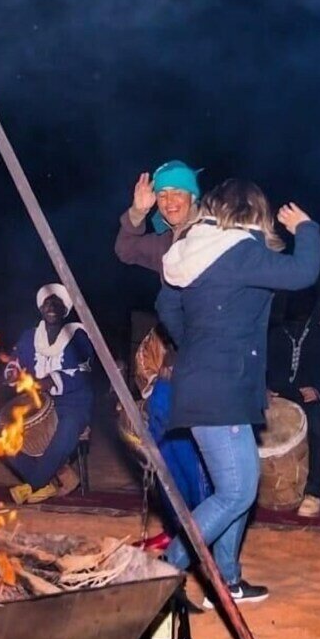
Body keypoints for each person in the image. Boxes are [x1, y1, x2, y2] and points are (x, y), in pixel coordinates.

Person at [156, 179, 320, 603]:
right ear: (253, 212)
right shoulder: (241, 250)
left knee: (238, 491)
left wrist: (195, 347)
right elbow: (304, 273)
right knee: (236, 492)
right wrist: (306, 228)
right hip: (222, 388)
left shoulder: (193, 250)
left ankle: (226, 580)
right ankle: (163, 571)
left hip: (205, 382)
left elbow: (166, 304)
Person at [114, 160, 212, 549]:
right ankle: (177, 529)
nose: (170, 202)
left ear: (194, 196)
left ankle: (204, 535)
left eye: (178, 193)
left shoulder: (212, 236)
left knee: (199, 454)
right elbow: (124, 250)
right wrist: (138, 211)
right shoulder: (164, 243)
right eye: (163, 195)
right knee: (164, 450)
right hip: (172, 365)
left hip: (206, 364)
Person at [4, 283, 95, 504]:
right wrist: (12, 372)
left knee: (68, 426)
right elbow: (14, 361)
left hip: (74, 402)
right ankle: (50, 478)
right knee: (1, 432)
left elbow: (84, 372)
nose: (52, 306)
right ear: (40, 308)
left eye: (58, 303)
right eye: (47, 302)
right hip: (39, 402)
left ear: (66, 310)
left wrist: (48, 381)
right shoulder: (30, 336)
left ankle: (34, 483)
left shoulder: (79, 335)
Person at [266, 286, 320, 517]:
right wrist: (263, 389)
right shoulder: (275, 335)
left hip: (314, 400)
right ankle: (261, 488)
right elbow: (260, 369)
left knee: (318, 422)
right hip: (280, 398)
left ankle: (313, 492)